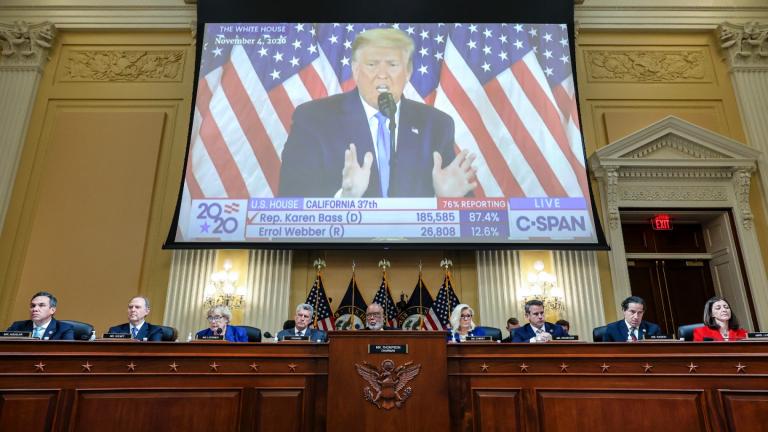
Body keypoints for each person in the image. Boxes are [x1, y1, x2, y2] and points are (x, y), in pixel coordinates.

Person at [279, 28, 477, 198]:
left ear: (408, 72)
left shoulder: (436, 125)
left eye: (392, 65)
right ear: (356, 71)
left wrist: (447, 201)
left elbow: (465, 223)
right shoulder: (314, 119)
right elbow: (291, 203)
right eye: (372, 64)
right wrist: (345, 199)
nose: (382, 74)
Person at [6, 291, 74, 340]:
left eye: (41, 305)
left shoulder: (64, 329)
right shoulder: (17, 327)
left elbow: (67, 353)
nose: (35, 309)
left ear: (52, 310)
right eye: (33, 306)